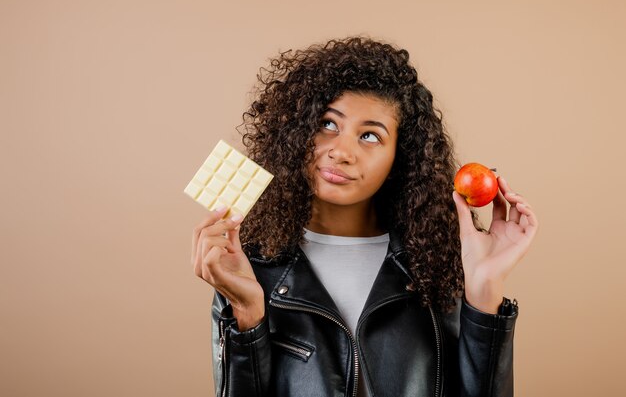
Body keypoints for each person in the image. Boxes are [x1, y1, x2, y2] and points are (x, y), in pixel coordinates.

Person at [190, 36, 538, 397]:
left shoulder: (438, 268)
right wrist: (247, 314)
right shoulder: (252, 267)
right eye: (327, 124)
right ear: (296, 131)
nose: (342, 152)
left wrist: (484, 290)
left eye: (370, 135)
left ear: (399, 157)